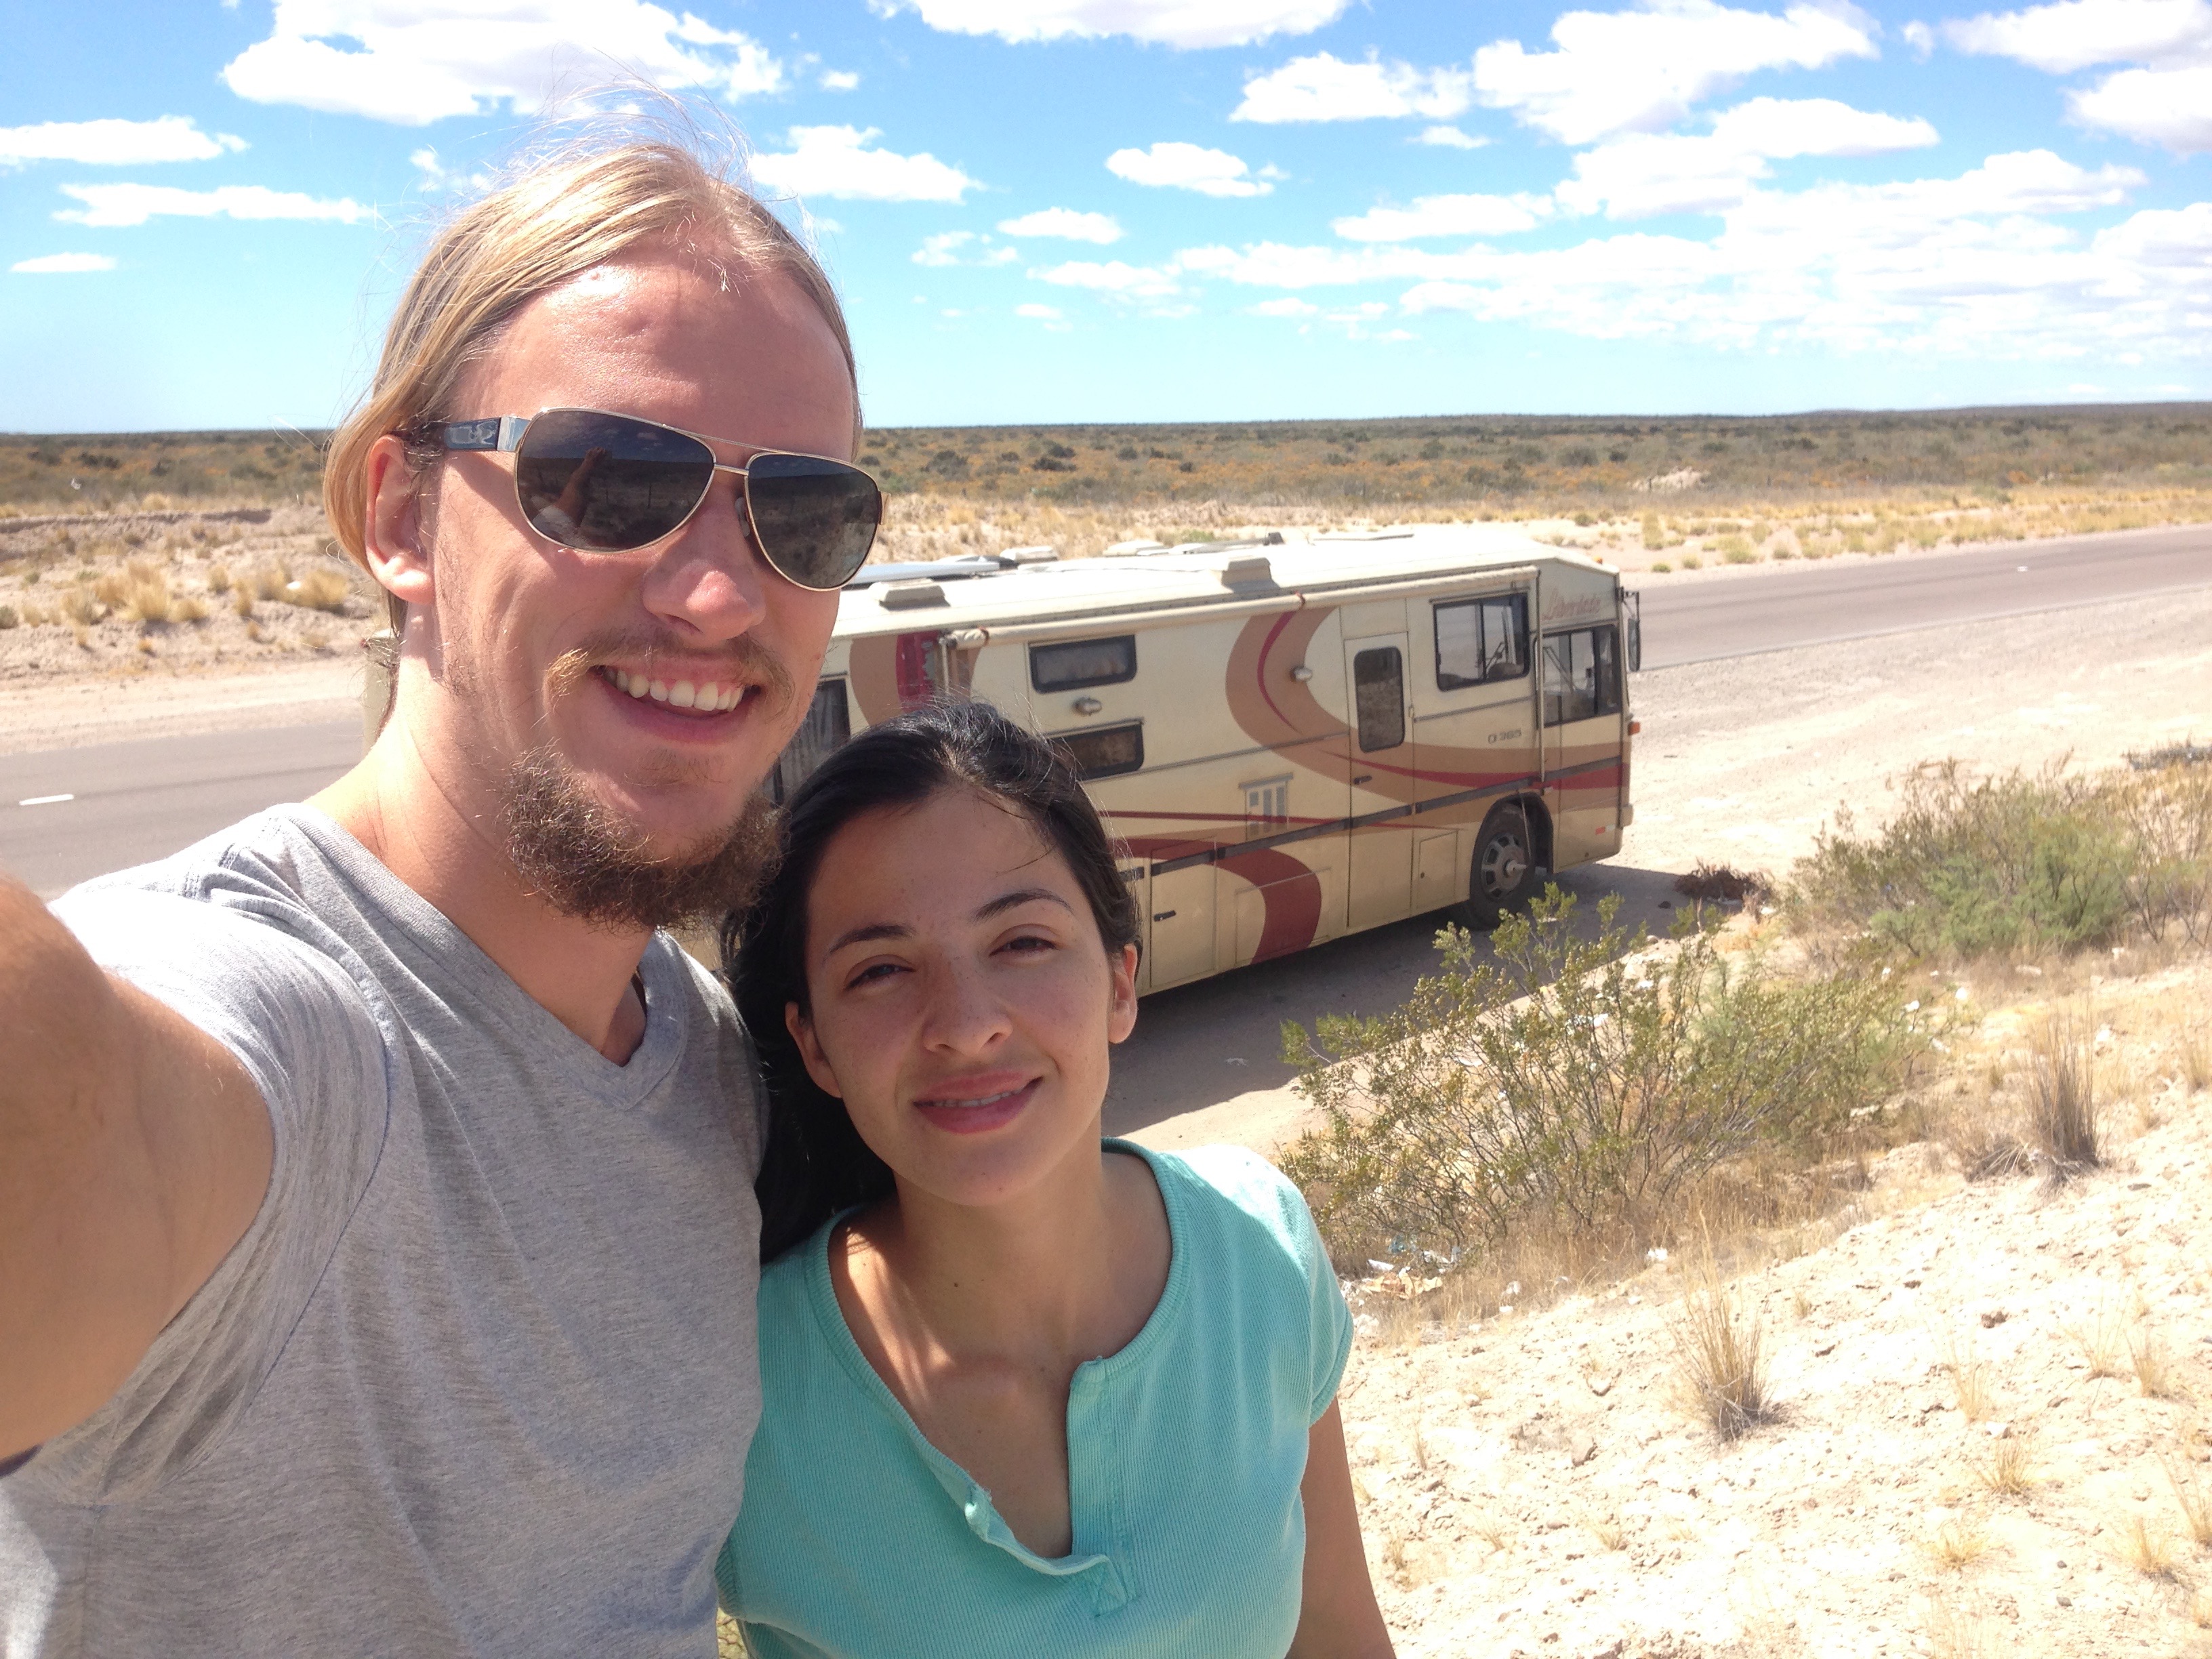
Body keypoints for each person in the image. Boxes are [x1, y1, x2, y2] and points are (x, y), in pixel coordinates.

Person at [0, 129, 882, 1657]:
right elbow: (85, 1132)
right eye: (613, 482)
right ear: (398, 515)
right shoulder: (283, 1024)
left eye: (801, 518)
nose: (724, 593)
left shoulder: (707, 1072)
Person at [718, 700, 1395, 1658]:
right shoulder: (739, 1386)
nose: (965, 1022)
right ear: (813, 1046)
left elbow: (1334, 1633)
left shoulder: (1261, 1247)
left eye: (1021, 943)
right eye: (879, 970)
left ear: (1121, 982)